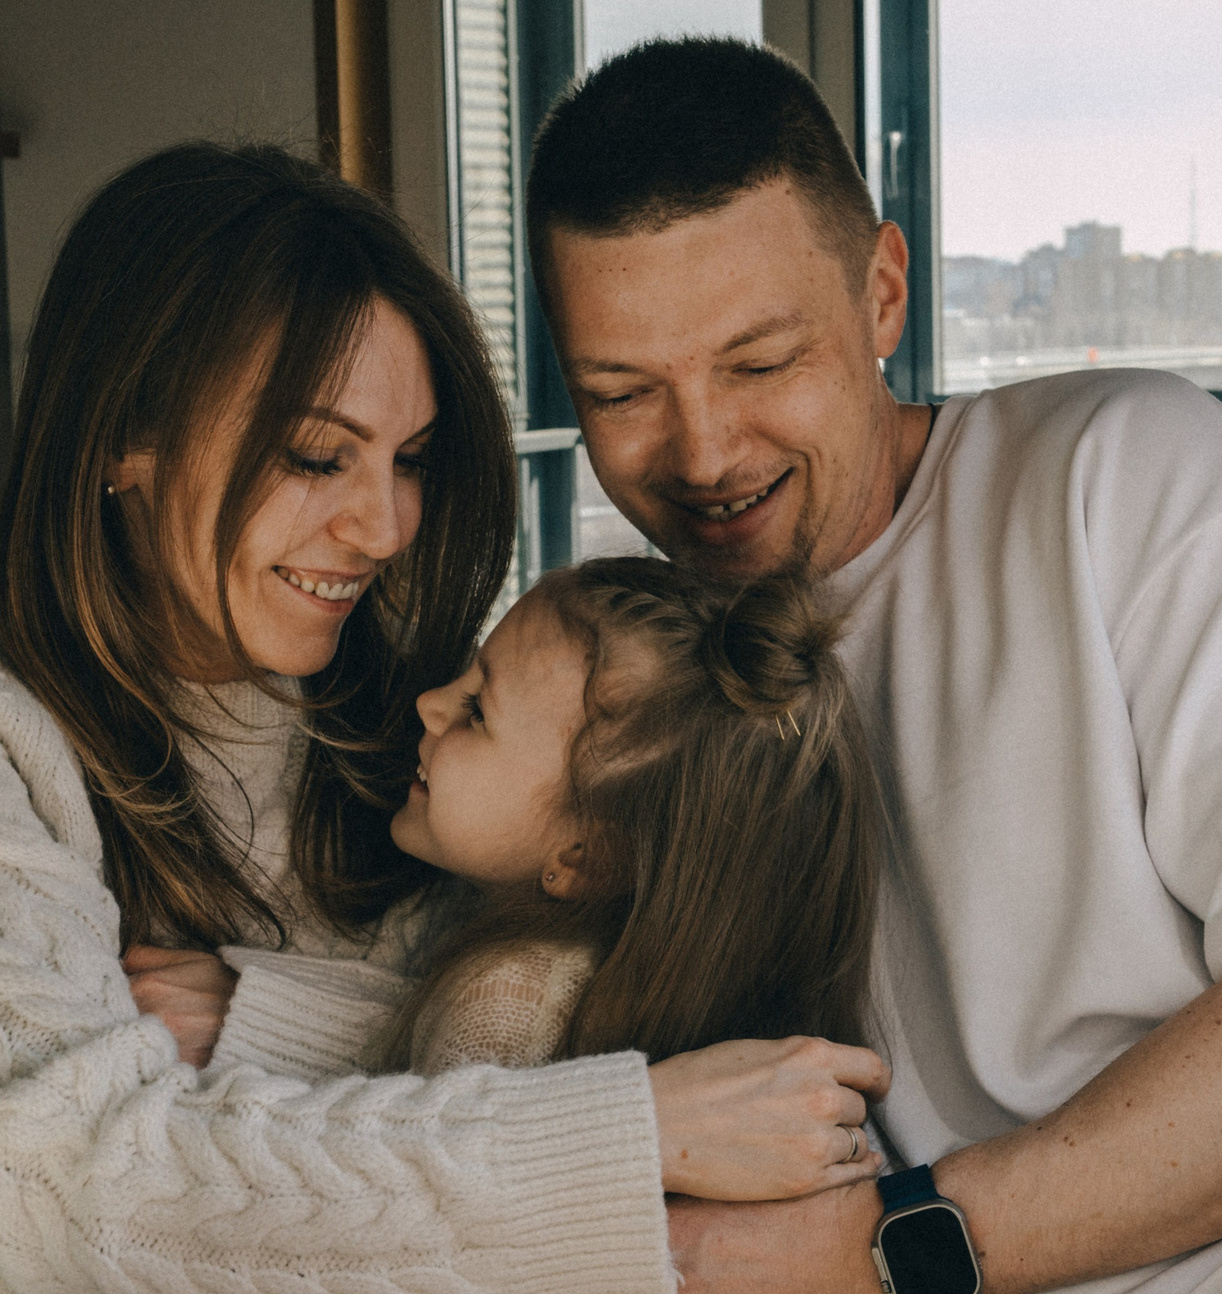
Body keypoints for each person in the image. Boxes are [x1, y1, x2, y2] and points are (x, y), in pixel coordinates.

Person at [0, 139, 890, 1293]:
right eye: (316, 455)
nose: (380, 527)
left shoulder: (408, 737)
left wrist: (273, 1023)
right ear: (129, 437)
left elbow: (498, 1021)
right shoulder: (25, 753)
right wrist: (634, 1136)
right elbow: (57, 1198)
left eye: (410, 459)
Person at [524, 36, 1222, 1294]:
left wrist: (882, 1248)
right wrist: (251, 1006)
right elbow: (487, 948)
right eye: (620, 393)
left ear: (882, 293)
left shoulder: (1122, 479)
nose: (704, 452)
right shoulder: (625, 661)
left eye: (759, 363)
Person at [382, 556, 885, 1195]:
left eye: (478, 709)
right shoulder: (663, 994)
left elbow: (427, 1215)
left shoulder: (497, 1008)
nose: (429, 704)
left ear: (584, 860)